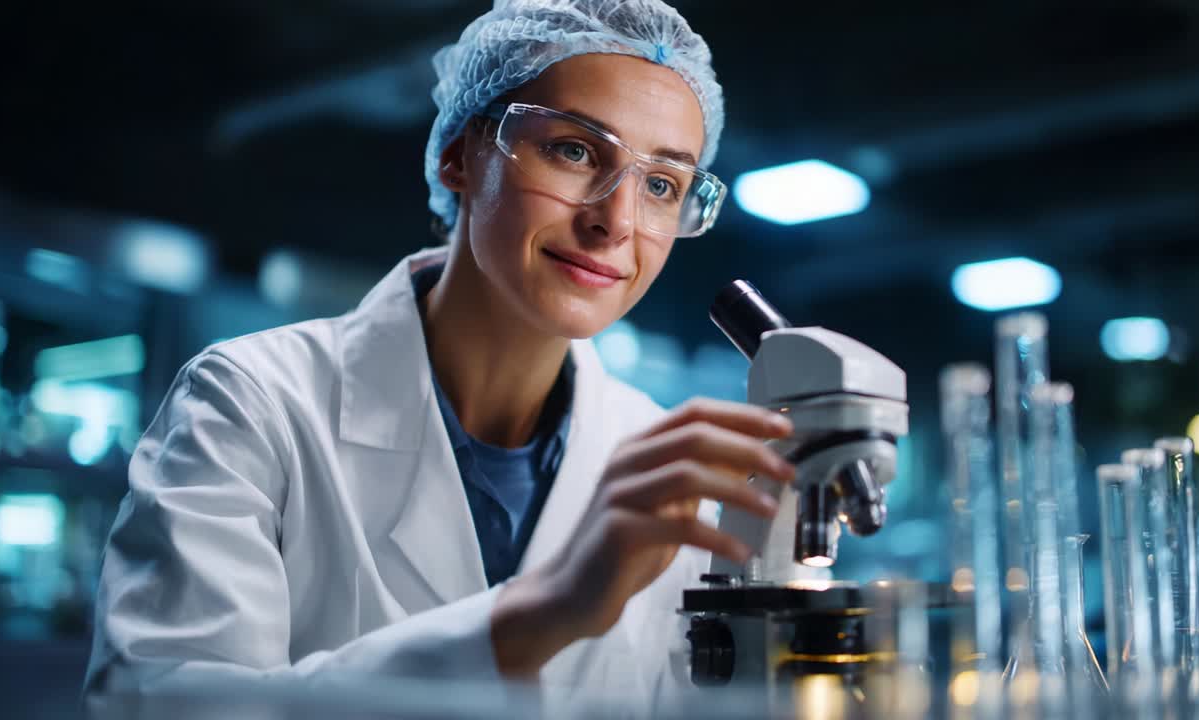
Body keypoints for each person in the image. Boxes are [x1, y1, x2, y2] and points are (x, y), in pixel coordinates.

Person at [85, 0, 795, 713]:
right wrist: (535, 616)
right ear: (459, 153)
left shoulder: (665, 462)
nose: (615, 221)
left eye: (662, 185)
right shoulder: (252, 405)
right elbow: (158, 704)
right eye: (574, 151)